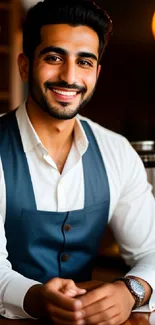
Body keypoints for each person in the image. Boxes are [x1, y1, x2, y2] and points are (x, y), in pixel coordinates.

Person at [0, 0, 155, 324]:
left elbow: (152, 250)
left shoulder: (117, 151)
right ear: (25, 66)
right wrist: (34, 299)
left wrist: (132, 290)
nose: (69, 77)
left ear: (96, 73)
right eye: (54, 58)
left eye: (84, 62)